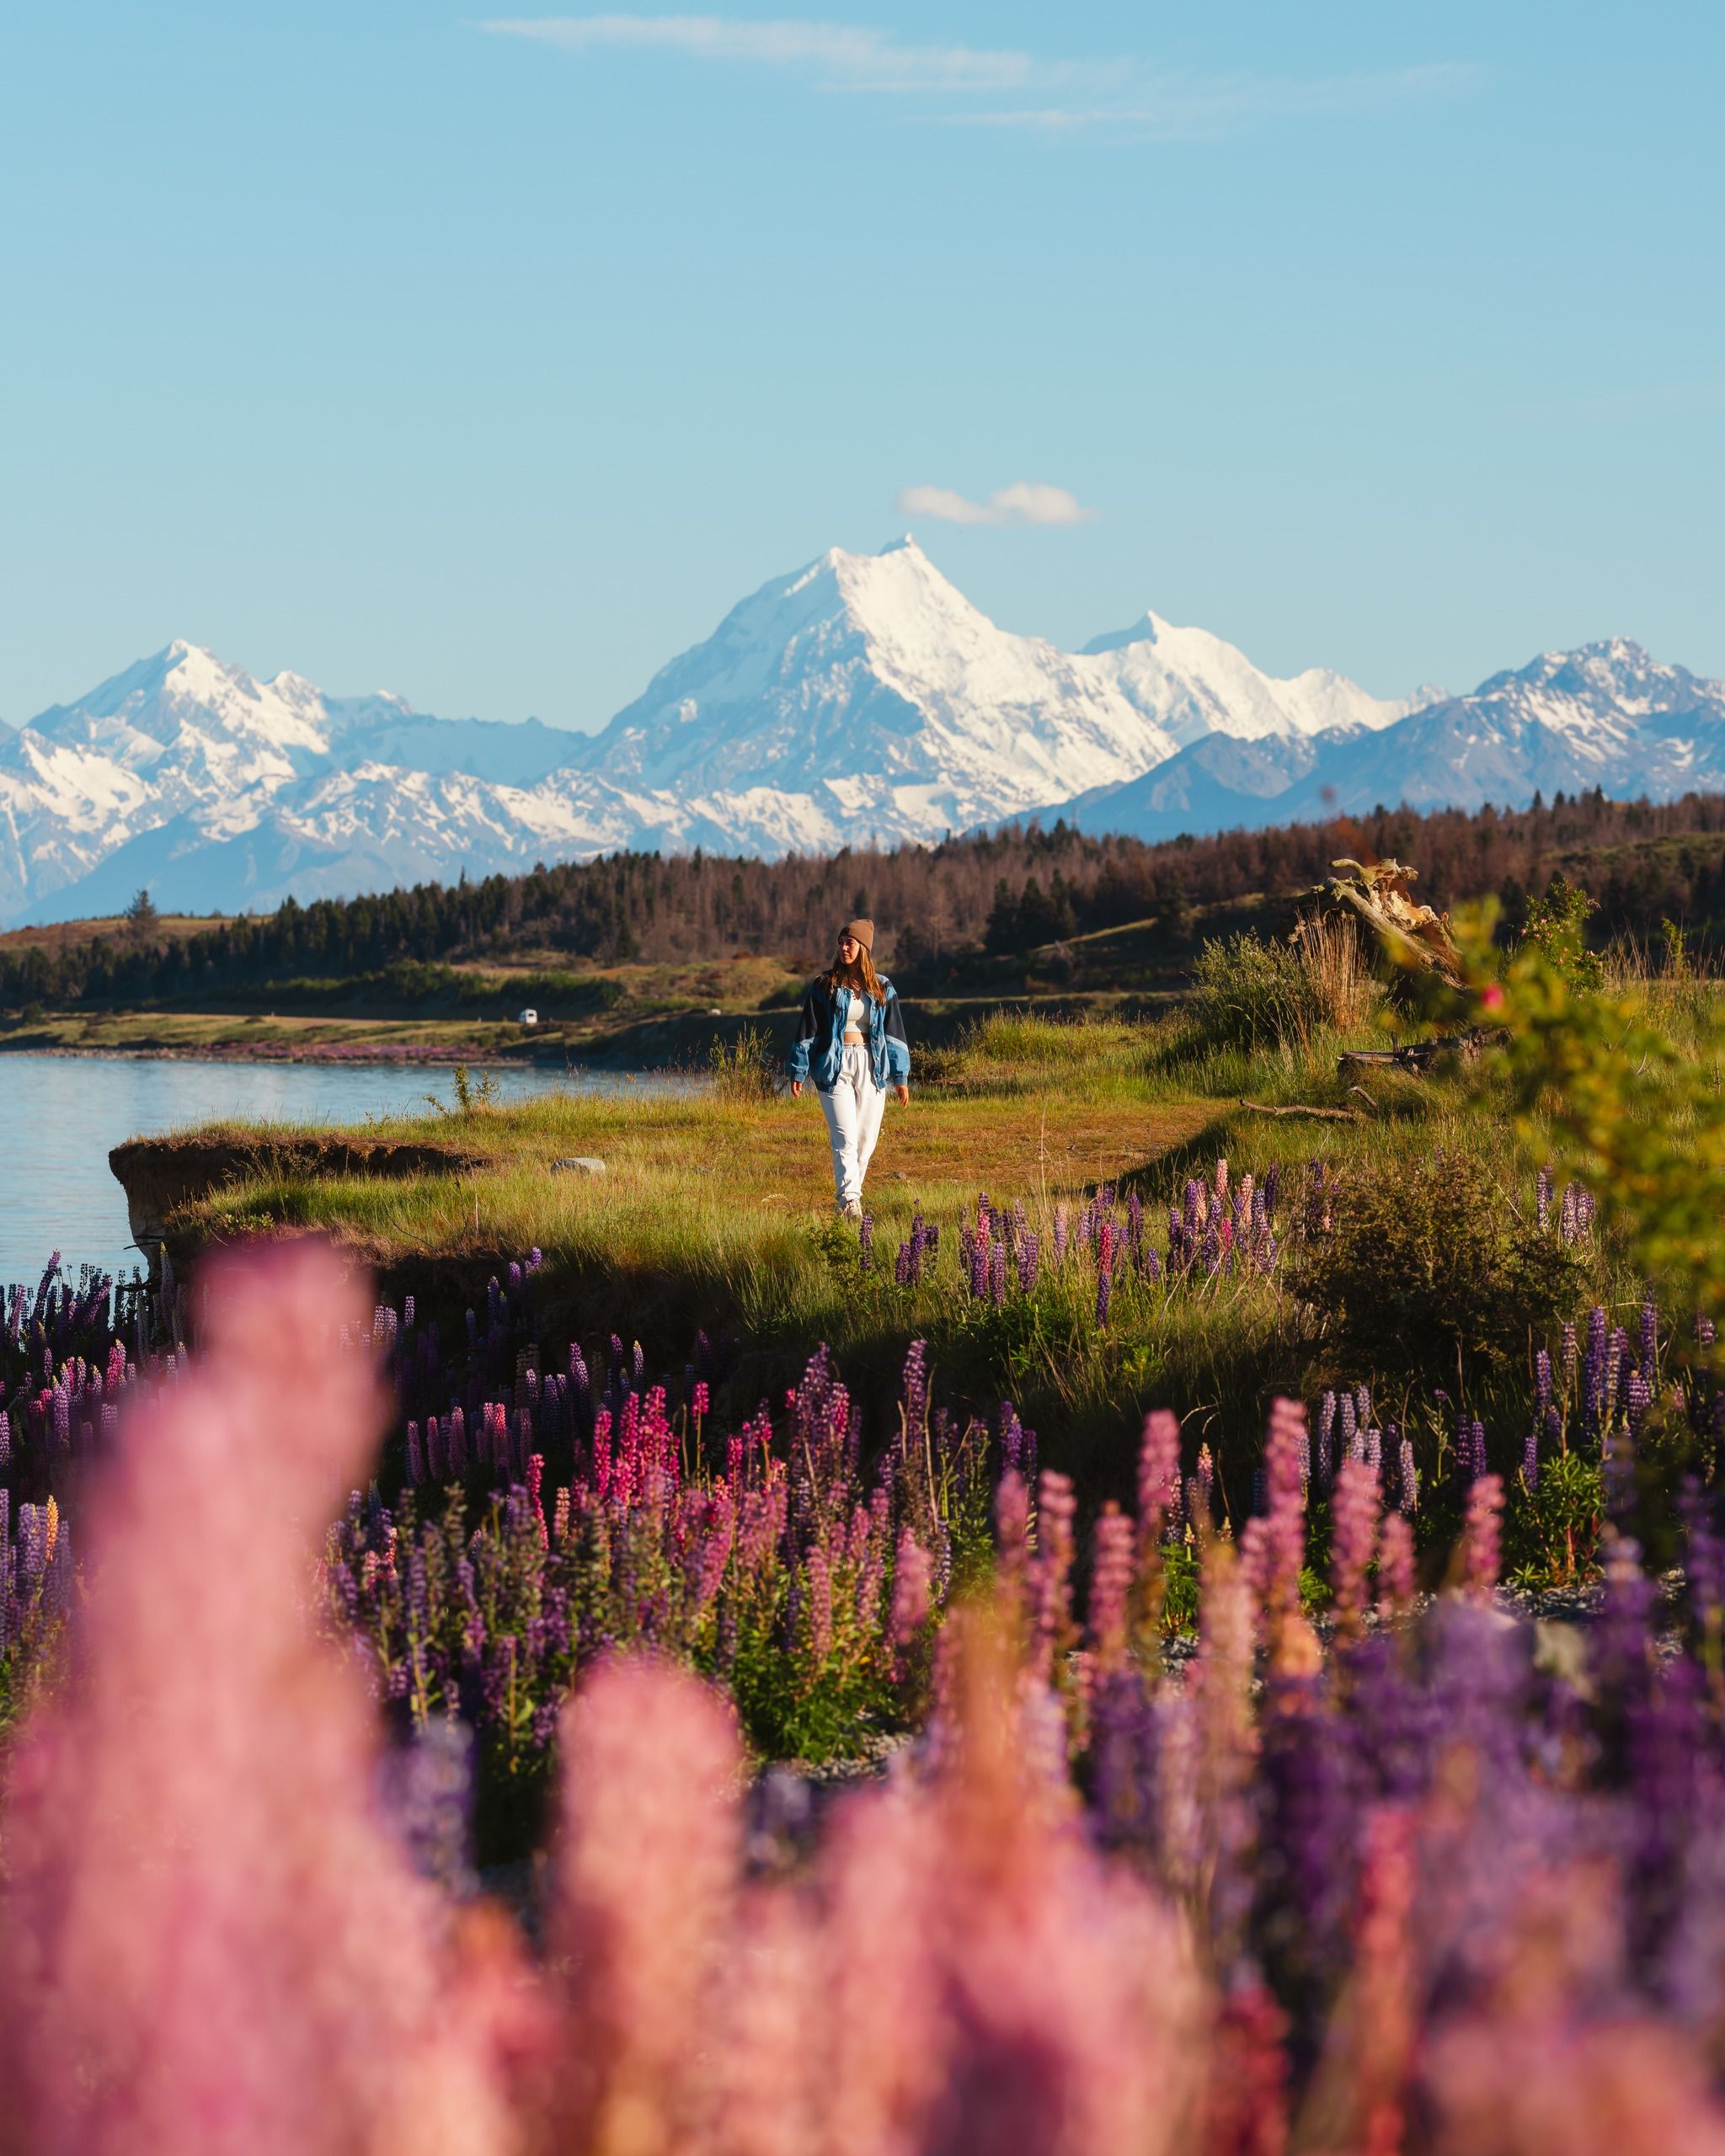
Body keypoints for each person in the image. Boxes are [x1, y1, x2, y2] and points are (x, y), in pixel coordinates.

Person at [788, 918, 911, 1219]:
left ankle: (848, 1199)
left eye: (850, 943)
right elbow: (808, 1028)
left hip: (872, 1065)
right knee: (844, 1137)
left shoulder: (882, 987)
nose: (843, 947)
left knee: (866, 1140)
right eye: (841, 942)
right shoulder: (825, 984)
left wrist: (900, 1076)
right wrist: (798, 1070)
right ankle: (850, 1202)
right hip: (834, 1065)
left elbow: (895, 1033)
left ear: (863, 948)